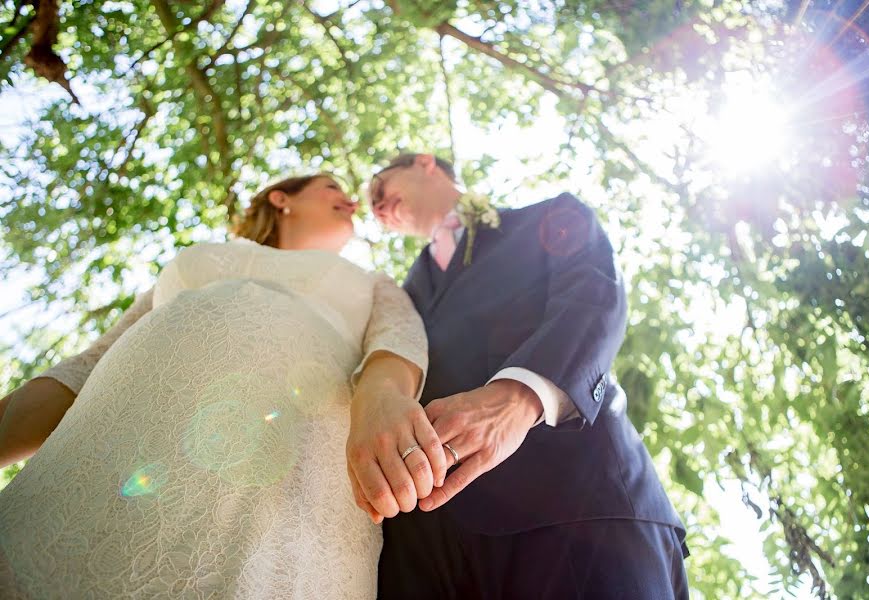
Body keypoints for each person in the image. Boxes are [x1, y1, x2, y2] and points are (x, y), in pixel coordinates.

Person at [0, 174, 436, 599]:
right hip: (114, 439)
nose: (352, 201)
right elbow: (87, 365)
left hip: (290, 461)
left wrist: (382, 399)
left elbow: (398, 342)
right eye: (332, 188)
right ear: (282, 198)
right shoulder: (203, 258)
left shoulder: (372, 281)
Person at [348, 153, 689, 599]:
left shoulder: (549, 218)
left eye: (380, 186)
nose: (376, 205)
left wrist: (517, 399)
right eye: (372, 205)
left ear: (426, 164)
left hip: (578, 511)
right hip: (425, 552)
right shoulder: (399, 295)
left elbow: (594, 297)